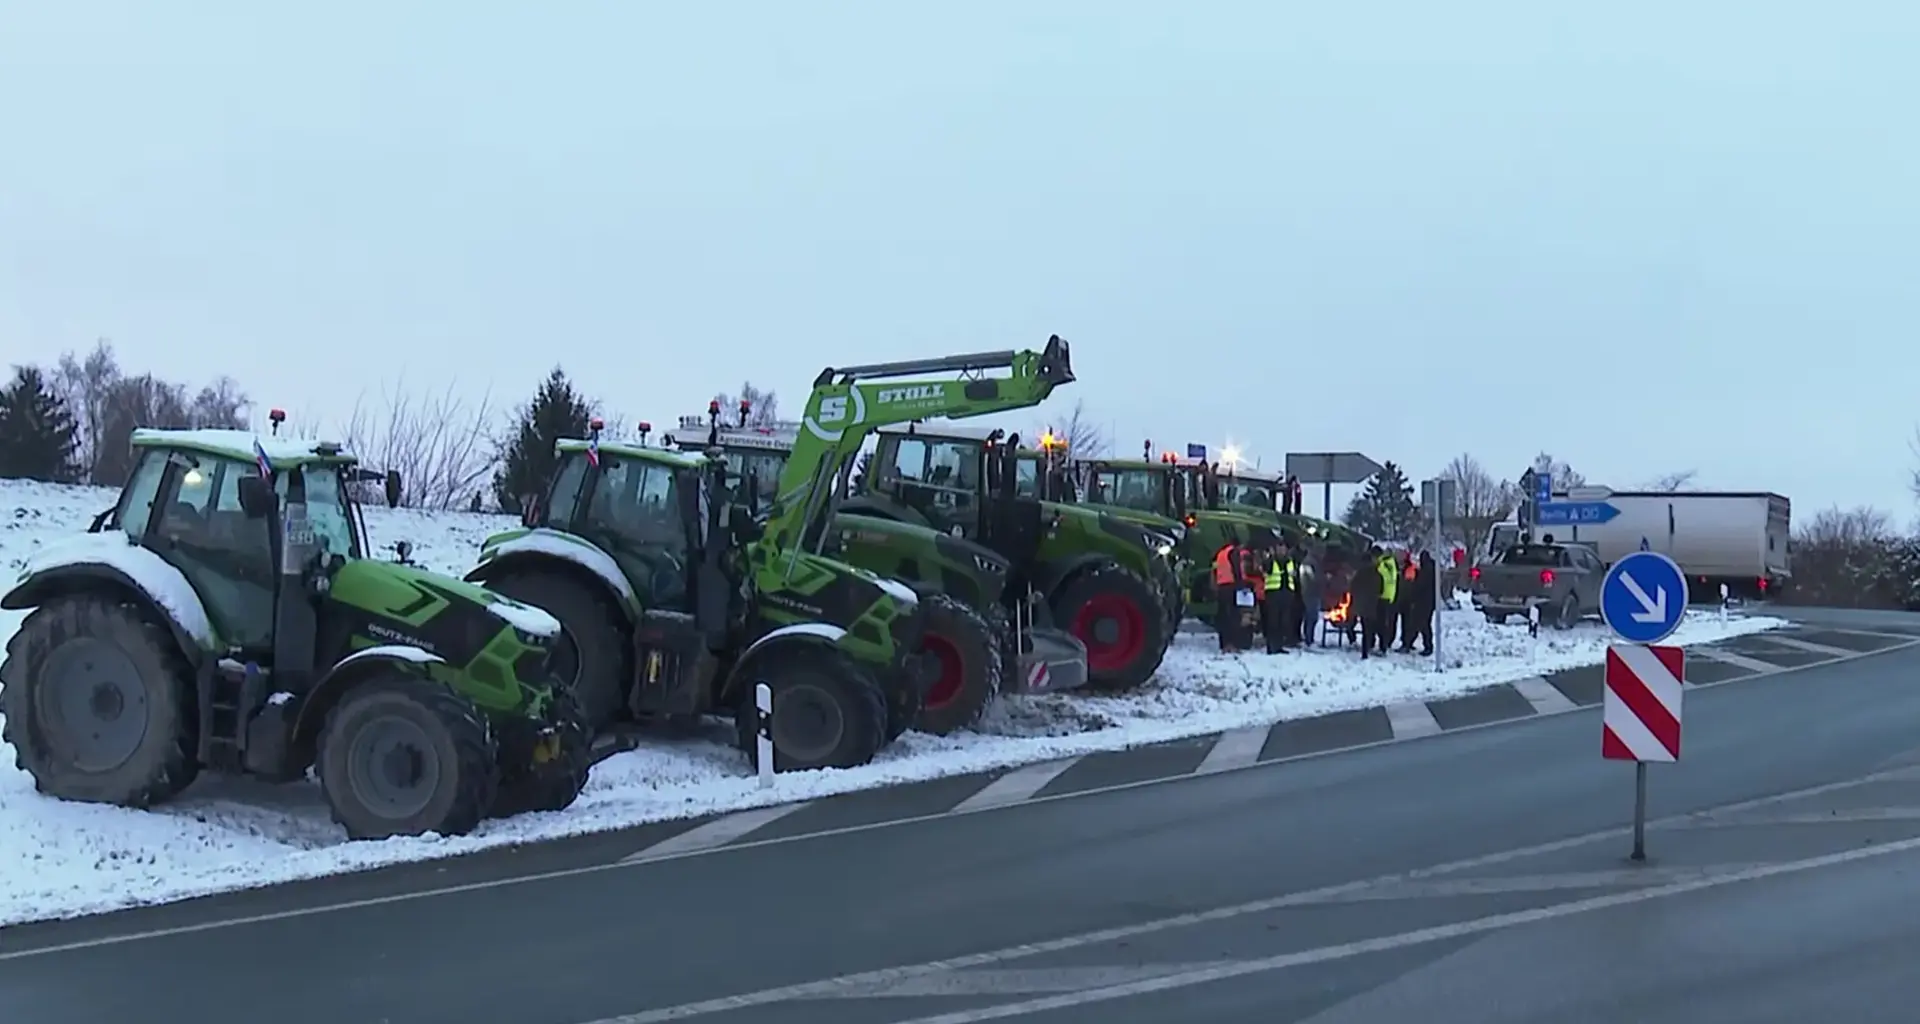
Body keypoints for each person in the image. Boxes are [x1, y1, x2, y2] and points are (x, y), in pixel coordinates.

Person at [1211, 540, 1248, 652]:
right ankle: (1232, 644)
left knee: (1223, 616)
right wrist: (1242, 585)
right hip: (1231, 586)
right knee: (1233, 616)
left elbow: (1214, 570)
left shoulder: (1220, 554)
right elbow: (1236, 569)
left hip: (1221, 587)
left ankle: (1224, 644)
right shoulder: (1233, 552)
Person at [1262, 539, 1297, 654]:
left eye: (1283, 548)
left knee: (1283, 621)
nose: (1281, 550)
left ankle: (1279, 646)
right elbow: (1265, 570)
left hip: (1287, 593)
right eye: (1279, 548)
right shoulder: (1271, 561)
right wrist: (1269, 558)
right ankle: (1271, 646)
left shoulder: (1290, 561)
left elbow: (1293, 575)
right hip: (1273, 593)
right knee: (1273, 621)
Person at [1351, 545, 1384, 659]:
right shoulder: (1377, 575)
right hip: (1372, 605)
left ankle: (1365, 650)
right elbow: (1381, 590)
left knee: (1365, 627)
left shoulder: (1360, 572)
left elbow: (1353, 586)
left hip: (1361, 604)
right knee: (1370, 628)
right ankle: (1368, 648)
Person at [1373, 547, 1399, 655]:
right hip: (1388, 595)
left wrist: (1378, 565)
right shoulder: (1391, 563)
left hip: (1383, 595)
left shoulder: (1385, 564)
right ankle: (1383, 645)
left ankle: (1383, 646)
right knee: (1383, 622)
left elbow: (1385, 576)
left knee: (1382, 623)